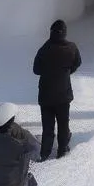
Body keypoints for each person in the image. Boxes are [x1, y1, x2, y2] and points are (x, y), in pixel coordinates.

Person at [32, 19, 82, 159]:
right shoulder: (71, 48)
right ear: (65, 33)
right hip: (63, 94)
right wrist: (66, 72)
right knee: (63, 124)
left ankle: (45, 153)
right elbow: (78, 62)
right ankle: (62, 150)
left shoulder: (44, 49)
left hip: (46, 95)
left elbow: (36, 70)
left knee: (47, 127)